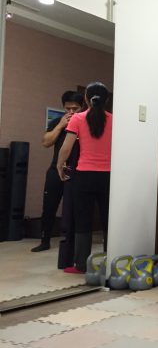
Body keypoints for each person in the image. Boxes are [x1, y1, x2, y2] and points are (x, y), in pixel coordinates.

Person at [57, 82, 112, 274]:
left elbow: (66, 147)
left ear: (86, 99)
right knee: (108, 220)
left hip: (84, 176)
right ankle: (111, 260)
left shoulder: (78, 119)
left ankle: (81, 265)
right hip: (108, 177)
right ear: (106, 100)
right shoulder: (115, 120)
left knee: (83, 220)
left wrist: (59, 165)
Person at [31, 91, 84, 252]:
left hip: (78, 171)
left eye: (75, 108)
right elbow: (45, 142)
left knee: (76, 208)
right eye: (68, 108)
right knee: (49, 207)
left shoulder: (85, 123)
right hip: (56, 169)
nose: (71, 112)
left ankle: (74, 242)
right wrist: (61, 125)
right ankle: (45, 240)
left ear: (82, 107)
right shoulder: (57, 122)